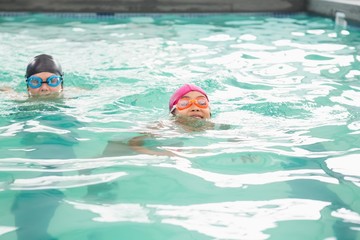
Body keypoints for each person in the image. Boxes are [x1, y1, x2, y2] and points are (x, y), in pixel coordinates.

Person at [102, 84, 213, 157]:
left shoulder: (213, 126)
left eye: (202, 102)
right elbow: (134, 143)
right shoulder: (164, 126)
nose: (195, 107)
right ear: (174, 113)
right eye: (184, 103)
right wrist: (160, 154)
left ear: (210, 110)